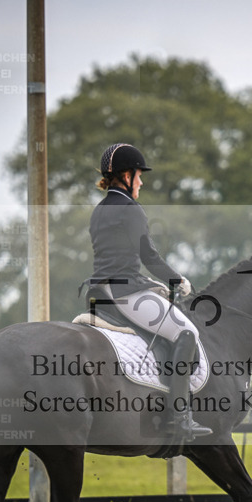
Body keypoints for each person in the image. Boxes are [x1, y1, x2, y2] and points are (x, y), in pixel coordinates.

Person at [87, 143, 212, 443]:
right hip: (127, 292)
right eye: (139, 175)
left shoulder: (99, 211)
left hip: (99, 293)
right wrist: (178, 279)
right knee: (187, 334)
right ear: (126, 175)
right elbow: (149, 256)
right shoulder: (131, 210)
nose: (142, 182)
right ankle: (179, 418)